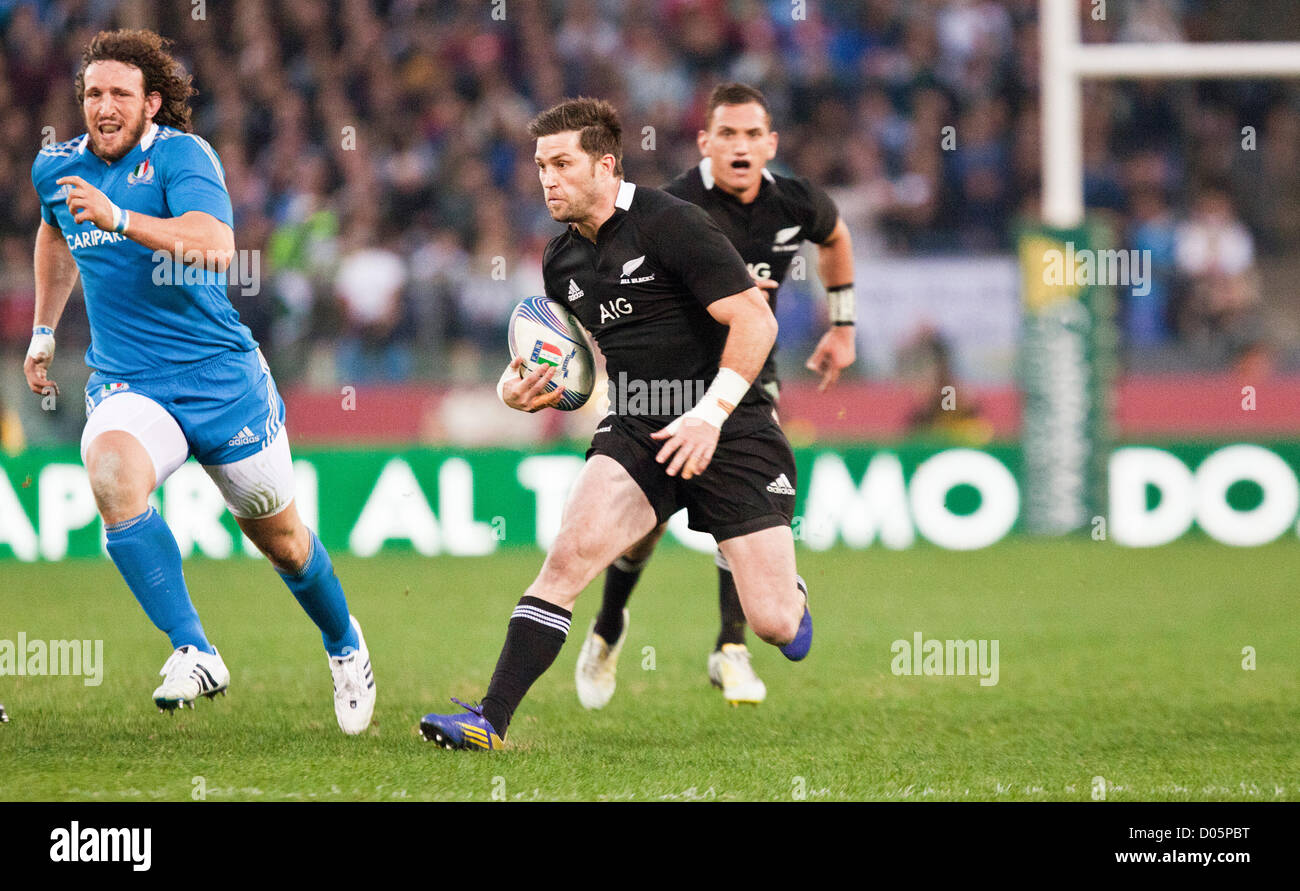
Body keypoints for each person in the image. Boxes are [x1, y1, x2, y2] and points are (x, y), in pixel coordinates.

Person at [419, 97, 812, 750]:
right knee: (567, 558)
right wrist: (513, 388)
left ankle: (787, 593)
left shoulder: (672, 224)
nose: (547, 178)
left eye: (562, 163)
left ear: (605, 165)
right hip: (637, 426)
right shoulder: (561, 262)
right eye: (541, 165)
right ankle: (489, 720)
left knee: (775, 625)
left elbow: (757, 321)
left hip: (731, 424)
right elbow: (566, 365)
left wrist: (709, 417)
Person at [24, 29, 375, 732]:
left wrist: (122, 218)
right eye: (93, 93)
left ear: (151, 103)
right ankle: (194, 646)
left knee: (284, 542)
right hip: (130, 382)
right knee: (112, 474)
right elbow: (56, 234)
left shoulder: (184, 156)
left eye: (120, 93)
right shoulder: (56, 169)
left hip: (222, 380)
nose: (104, 106)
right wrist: (42, 329)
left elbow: (216, 248)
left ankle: (345, 645)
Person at [576, 82, 857, 708]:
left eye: (753, 134)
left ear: (771, 143)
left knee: (740, 512)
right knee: (641, 530)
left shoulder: (795, 203)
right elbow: (611, 290)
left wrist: (843, 325)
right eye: (726, 134)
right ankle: (608, 625)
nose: (740, 146)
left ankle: (731, 646)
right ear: (704, 142)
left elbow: (835, 237)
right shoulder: (673, 206)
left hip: (744, 376)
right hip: (666, 385)